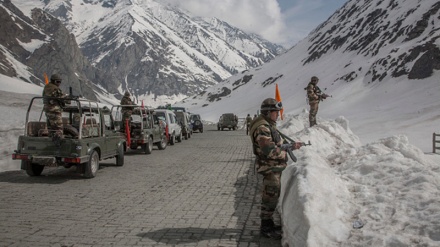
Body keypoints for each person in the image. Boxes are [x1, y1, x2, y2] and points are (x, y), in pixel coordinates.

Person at [249, 98, 302, 239]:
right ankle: (265, 228)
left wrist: (291, 145)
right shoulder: (263, 128)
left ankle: (269, 223)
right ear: (268, 112)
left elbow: (277, 143)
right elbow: (269, 150)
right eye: (275, 112)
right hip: (269, 167)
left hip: (272, 167)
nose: (278, 115)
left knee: (271, 197)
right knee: (269, 198)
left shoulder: (268, 125)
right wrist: (285, 152)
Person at [42, 74, 66, 143]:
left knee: (51, 128)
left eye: (60, 82)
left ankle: (51, 141)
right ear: (54, 81)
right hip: (54, 110)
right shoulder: (53, 88)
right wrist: (67, 97)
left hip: (49, 110)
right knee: (59, 129)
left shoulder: (47, 87)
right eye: (58, 82)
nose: (59, 83)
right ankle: (58, 145)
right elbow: (60, 96)